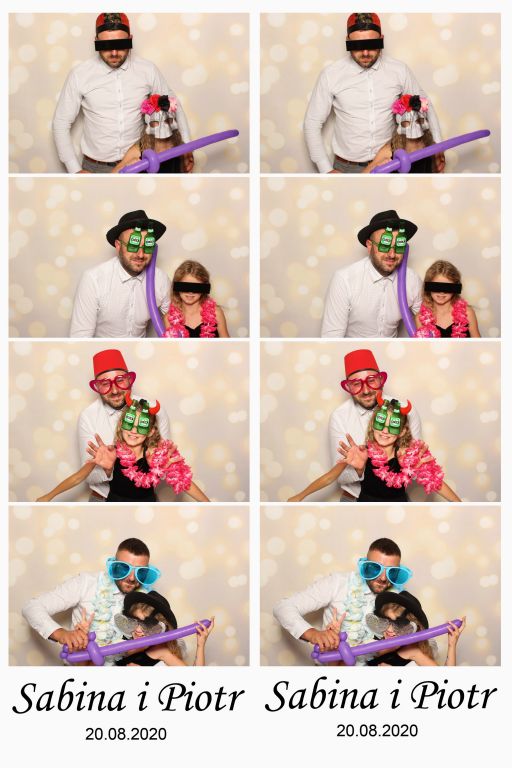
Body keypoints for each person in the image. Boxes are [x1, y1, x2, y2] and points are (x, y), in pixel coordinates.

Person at [52, 13, 193, 174]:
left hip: (140, 162)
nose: (114, 52)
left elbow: (173, 106)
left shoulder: (147, 70)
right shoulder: (80, 74)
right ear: (96, 41)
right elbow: (61, 122)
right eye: (106, 45)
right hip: (95, 167)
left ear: (130, 39)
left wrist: (186, 148)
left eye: (120, 44)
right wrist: (74, 169)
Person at [303, 13, 444, 174]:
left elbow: (425, 106)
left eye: (372, 44)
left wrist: (437, 148)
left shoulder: (399, 71)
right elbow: (312, 123)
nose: (365, 52)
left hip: (391, 162)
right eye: (357, 45)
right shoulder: (331, 75)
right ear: (347, 40)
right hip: (347, 167)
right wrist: (325, 169)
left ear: (381, 39)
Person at [38, 392, 209, 502]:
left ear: (150, 431)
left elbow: (185, 482)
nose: (134, 430)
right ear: (121, 425)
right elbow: (78, 477)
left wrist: (208, 505)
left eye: (141, 426)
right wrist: (48, 496)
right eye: (129, 424)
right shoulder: (111, 453)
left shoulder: (154, 455)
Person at [289, 394, 460, 502]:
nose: (385, 430)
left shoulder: (406, 456)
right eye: (380, 424)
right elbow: (329, 477)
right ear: (372, 425)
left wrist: (459, 504)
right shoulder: (362, 453)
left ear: (402, 431)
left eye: (393, 426)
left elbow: (436, 483)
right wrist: (300, 496)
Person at [22, 538, 158, 664]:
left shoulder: (148, 599)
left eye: (140, 572)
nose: (132, 578)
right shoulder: (86, 583)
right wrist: (61, 634)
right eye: (123, 568)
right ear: (114, 565)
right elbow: (32, 607)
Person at [273, 538, 410, 661]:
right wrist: (312, 634)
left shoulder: (400, 599)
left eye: (392, 571)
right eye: (375, 568)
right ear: (365, 565)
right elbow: (283, 607)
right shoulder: (337, 583)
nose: (383, 578)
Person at [77, 348, 170, 501]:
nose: (114, 390)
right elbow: (87, 476)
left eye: (120, 380)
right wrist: (108, 469)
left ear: (129, 380)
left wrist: (159, 463)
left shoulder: (153, 409)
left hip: (145, 499)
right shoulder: (88, 416)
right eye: (105, 383)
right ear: (97, 387)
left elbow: (166, 468)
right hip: (103, 499)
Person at [328, 348, 422, 501]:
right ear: (348, 388)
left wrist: (414, 462)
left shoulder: (405, 411)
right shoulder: (339, 416)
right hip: (354, 499)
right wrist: (359, 469)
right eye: (356, 384)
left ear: (381, 380)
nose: (366, 390)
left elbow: (416, 470)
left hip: (396, 498)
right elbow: (339, 476)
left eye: (371, 380)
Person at [321, 210, 423, 337]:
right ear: (369, 246)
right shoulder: (344, 279)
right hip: (354, 349)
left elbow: (428, 323)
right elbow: (331, 338)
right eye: (384, 246)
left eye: (398, 247)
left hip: (391, 349)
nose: (392, 254)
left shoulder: (412, 280)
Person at [70, 210, 170, 338]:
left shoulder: (161, 280)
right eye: (133, 246)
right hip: (104, 350)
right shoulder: (93, 279)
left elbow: (175, 323)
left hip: (140, 350)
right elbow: (80, 339)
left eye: (147, 247)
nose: (140, 254)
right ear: (118, 245)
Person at [112, 591, 214, 666]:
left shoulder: (160, 650)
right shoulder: (121, 641)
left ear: (160, 629)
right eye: (135, 621)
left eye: (147, 625)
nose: (138, 630)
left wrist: (200, 645)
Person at [363, 592, 466, 666]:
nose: (389, 629)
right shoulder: (372, 643)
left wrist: (452, 644)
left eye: (399, 624)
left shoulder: (412, 651)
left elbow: (446, 679)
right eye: (387, 621)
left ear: (413, 628)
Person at [364, 94, 437, 174]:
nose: (413, 126)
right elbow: (363, 175)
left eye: (419, 120)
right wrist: (378, 167)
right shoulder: (389, 150)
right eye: (407, 122)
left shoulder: (430, 145)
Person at [113, 94, 185, 173]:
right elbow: (112, 174)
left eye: (167, 120)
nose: (162, 126)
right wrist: (127, 166)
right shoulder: (137, 150)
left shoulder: (180, 146)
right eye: (156, 121)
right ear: (148, 124)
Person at [163, 260, 230, 338]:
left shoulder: (216, 313)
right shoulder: (169, 318)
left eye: (196, 287)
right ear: (177, 286)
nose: (190, 292)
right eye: (185, 286)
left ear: (204, 288)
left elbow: (227, 343)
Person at [414, 260, 481, 338]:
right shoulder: (420, 318)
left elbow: (479, 343)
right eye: (436, 286)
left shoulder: (468, 313)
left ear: (455, 288)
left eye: (447, 287)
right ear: (428, 286)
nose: (441, 292)